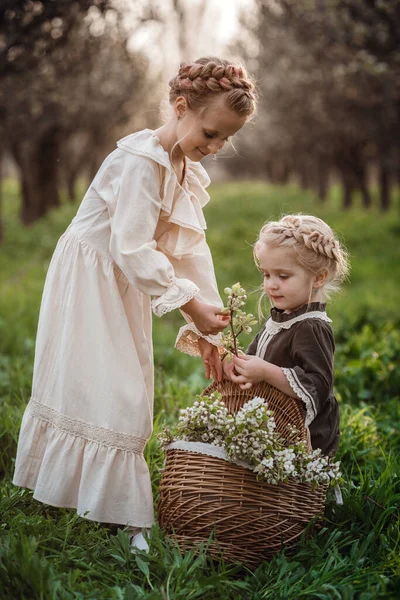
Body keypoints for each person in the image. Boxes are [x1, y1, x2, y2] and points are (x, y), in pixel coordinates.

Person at [12, 57, 257, 551]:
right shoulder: (140, 160)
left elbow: (187, 250)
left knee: (128, 382)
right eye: (210, 133)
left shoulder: (182, 165)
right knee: (112, 387)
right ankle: (129, 519)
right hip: (95, 276)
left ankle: (102, 498)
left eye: (225, 140)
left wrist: (210, 326)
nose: (215, 147)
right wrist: (188, 306)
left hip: (123, 281)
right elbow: (131, 246)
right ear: (180, 107)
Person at [223, 214, 349, 456]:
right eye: (266, 275)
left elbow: (318, 384)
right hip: (276, 426)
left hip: (305, 437)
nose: (271, 285)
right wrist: (235, 361)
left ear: (319, 278)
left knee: (289, 488)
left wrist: (266, 372)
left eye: (283, 276)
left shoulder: (311, 326)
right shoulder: (280, 319)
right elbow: (255, 359)